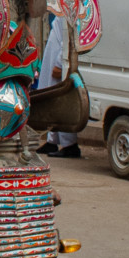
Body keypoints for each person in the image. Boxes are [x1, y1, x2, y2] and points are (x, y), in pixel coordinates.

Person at [37, 12, 79, 158]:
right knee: (53, 101)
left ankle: (69, 144)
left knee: (62, 103)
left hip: (61, 63)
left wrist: (60, 63)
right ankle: (52, 140)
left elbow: (69, 37)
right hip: (54, 58)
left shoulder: (71, 7)